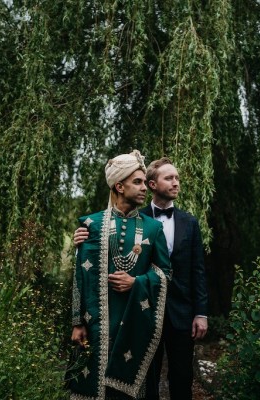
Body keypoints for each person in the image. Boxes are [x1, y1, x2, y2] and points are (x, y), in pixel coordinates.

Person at [74, 157, 208, 400]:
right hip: (122, 317)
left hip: (171, 312)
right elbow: (83, 273)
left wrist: (201, 313)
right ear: (121, 186)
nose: (176, 183)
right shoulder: (103, 223)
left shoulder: (177, 224)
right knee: (137, 380)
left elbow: (194, 271)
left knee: (179, 376)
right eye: (170, 178)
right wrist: (77, 321)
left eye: (177, 177)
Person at [68, 150, 172, 400]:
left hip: (135, 320)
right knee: (93, 383)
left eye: (144, 182)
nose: (144, 187)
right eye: (137, 182)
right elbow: (79, 276)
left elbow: (165, 273)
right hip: (96, 324)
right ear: (119, 186)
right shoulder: (91, 225)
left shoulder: (153, 228)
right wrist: (77, 322)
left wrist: (137, 281)